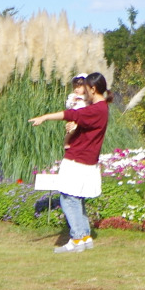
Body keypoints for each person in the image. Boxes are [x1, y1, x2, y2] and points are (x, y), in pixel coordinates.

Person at [30, 71, 111, 253]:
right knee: (76, 198)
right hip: (86, 159)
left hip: (78, 159)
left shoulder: (95, 109)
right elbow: (78, 120)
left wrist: (45, 117)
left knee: (67, 198)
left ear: (93, 89)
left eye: (86, 88)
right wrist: (73, 128)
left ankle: (76, 239)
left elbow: (69, 114)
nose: (83, 92)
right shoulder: (101, 108)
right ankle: (85, 237)